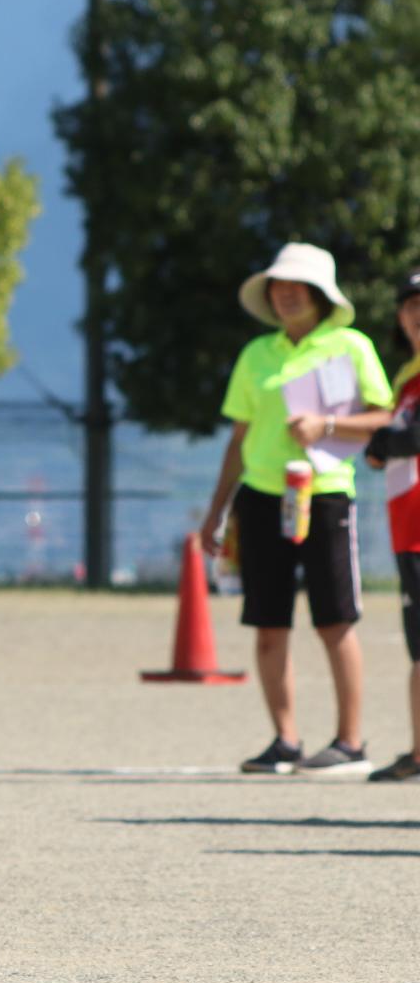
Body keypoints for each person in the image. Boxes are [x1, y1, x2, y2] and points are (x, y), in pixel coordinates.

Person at [198, 243, 393, 776]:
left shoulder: (350, 346)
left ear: (321, 295)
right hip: (260, 497)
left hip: (326, 492)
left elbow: (385, 418)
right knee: (267, 623)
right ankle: (285, 740)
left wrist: (327, 427)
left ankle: (350, 742)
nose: (284, 294)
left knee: (335, 620)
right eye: (276, 286)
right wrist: (216, 511)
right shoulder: (256, 354)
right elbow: (238, 439)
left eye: (296, 286)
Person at [363, 268, 420, 783]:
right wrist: (382, 445)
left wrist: (390, 440)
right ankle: (419, 750)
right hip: (407, 525)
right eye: (409, 305)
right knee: (418, 644)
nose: (417, 313)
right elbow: (389, 445)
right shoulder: (405, 377)